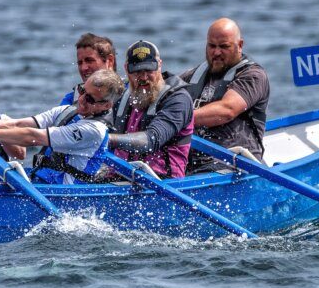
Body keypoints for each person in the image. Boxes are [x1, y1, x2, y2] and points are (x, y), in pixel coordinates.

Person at [0, 69, 125, 184]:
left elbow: (33, 137)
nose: (81, 99)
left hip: (64, 195)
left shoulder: (94, 130)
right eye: (82, 91)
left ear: (106, 105)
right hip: (41, 181)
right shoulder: (67, 111)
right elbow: (18, 123)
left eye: (90, 99)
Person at [180, 18, 270, 173]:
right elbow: (161, 93)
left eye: (224, 46)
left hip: (234, 165)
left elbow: (227, 110)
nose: (216, 52)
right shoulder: (194, 76)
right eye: (212, 46)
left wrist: (177, 120)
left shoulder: (253, 76)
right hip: (194, 166)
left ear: (240, 45)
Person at [109, 40, 193, 178]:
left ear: (159, 65)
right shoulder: (122, 95)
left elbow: (151, 140)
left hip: (161, 183)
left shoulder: (178, 99)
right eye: (137, 72)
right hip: (121, 177)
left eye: (149, 70)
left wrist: (107, 139)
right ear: (126, 69)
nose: (143, 77)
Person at [59, 33, 117, 106]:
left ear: (110, 61)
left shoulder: (128, 95)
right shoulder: (71, 100)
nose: (83, 68)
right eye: (80, 63)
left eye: (89, 61)